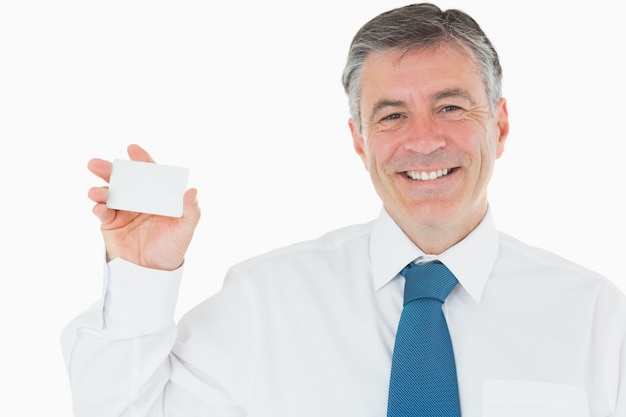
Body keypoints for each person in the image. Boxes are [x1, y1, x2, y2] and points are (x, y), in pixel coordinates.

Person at [61, 3, 626, 417]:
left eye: (450, 106)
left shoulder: (597, 317)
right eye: (391, 116)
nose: (424, 141)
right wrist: (140, 278)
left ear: (499, 125)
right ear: (359, 141)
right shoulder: (269, 301)